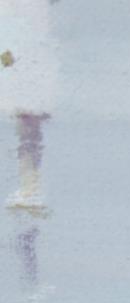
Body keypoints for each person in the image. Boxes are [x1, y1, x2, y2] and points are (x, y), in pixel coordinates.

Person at [1, 0, 60, 215]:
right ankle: (30, 187)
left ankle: (30, 188)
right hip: (30, 58)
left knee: (27, 126)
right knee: (29, 128)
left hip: (20, 59)